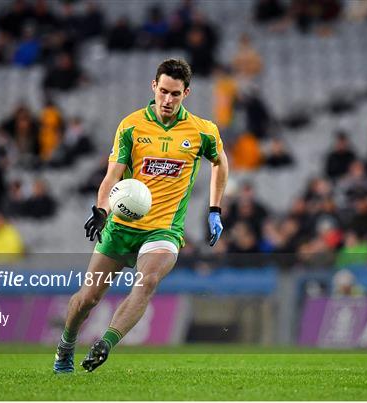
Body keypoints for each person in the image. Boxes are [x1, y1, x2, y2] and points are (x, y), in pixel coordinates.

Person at [53, 59, 228, 373]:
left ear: (186, 92)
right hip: (121, 228)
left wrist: (215, 209)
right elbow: (111, 176)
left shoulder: (203, 131)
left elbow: (220, 162)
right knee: (88, 299)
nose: (167, 100)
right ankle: (65, 346)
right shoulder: (131, 125)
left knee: (147, 281)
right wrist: (101, 209)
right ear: (154, 87)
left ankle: (105, 343)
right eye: (163, 91)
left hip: (164, 230)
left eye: (175, 94)